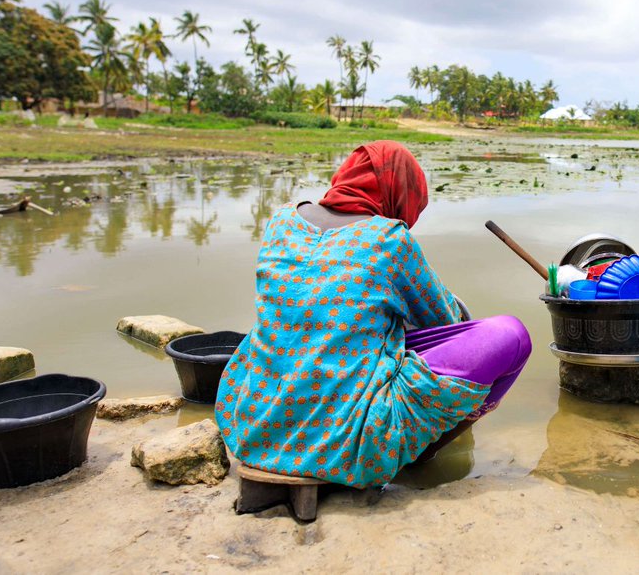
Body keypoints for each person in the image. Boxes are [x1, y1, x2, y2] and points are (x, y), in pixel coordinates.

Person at [216, 141, 531, 488]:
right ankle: (420, 452)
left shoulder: (281, 221)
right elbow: (447, 323)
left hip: (249, 427)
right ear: (400, 192)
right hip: (345, 448)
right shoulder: (389, 240)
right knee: (510, 336)